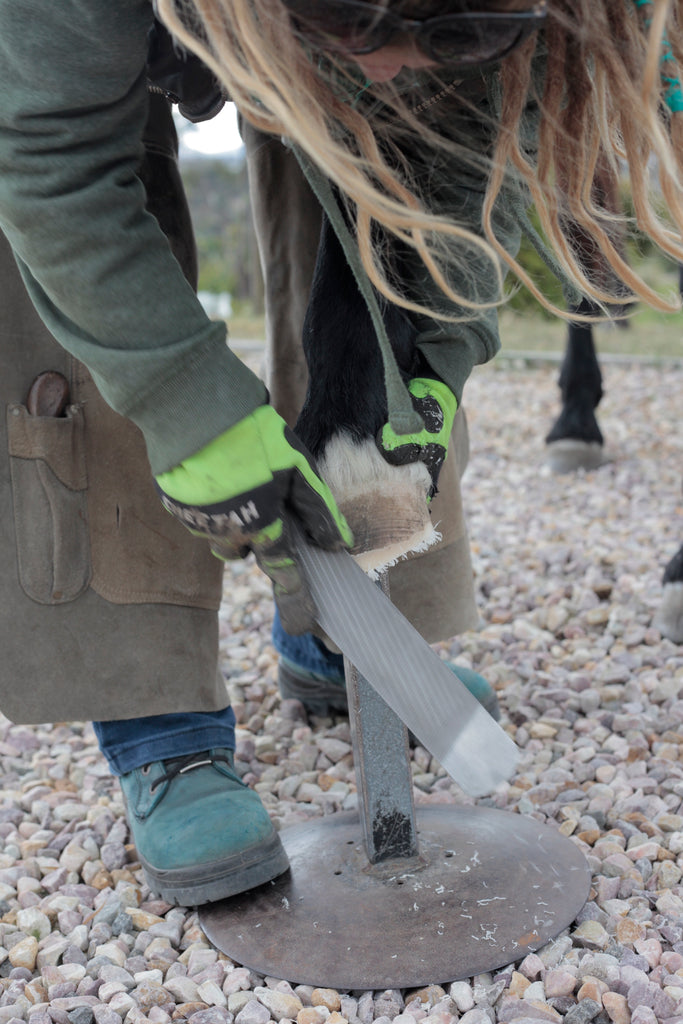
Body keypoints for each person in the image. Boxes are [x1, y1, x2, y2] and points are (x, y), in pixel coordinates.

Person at [0, 0, 682, 908]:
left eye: (455, 37)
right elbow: (50, 160)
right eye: (371, 32)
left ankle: (344, 642)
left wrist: (425, 367)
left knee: (379, 174)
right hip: (88, 48)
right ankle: (158, 722)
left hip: (298, 25)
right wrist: (184, 405)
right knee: (83, 280)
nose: (401, 66)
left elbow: (468, 176)